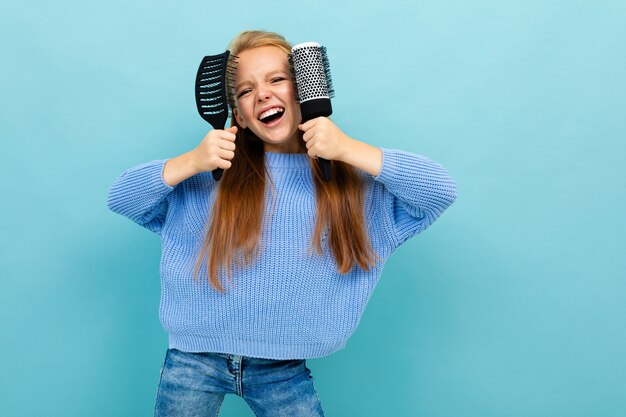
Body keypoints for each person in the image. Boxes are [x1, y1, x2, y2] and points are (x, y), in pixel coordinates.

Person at [107, 30, 457, 417]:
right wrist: (190, 161)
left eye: (277, 79)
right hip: (192, 360)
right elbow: (121, 197)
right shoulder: (210, 176)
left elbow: (439, 190)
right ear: (238, 114)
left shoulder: (354, 190)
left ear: (307, 90)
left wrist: (347, 149)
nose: (262, 94)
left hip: (282, 370)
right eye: (244, 90)